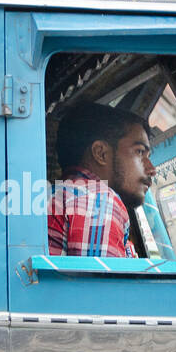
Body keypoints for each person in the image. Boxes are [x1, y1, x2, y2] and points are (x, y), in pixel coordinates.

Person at [47, 103, 156, 257]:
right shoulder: (98, 199)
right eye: (139, 152)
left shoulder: (61, 195)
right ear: (101, 153)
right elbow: (104, 281)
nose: (152, 169)